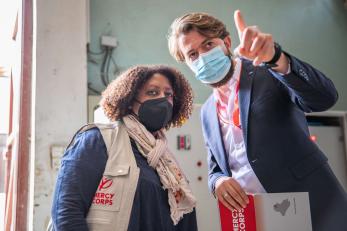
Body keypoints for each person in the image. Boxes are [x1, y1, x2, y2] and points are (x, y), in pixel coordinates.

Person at [167, 9, 347, 231]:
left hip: (316, 210)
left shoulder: (266, 69)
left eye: (208, 45)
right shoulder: (206, 112)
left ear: (226, 42)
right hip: (257, 219)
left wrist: (276, 58)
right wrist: (218, 182)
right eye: (192, 54)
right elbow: (215, 169)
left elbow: (324, 98)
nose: (202, 56)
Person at [50, 65, 198, 231]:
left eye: (168, 94)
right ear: (129, 100)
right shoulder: (98, 140)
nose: (163, 99)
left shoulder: (167, 162)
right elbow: (66, 211)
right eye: (152, 92)